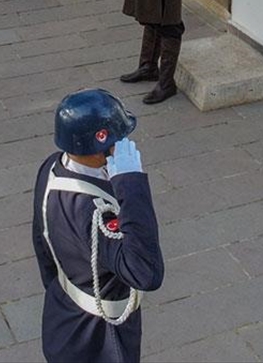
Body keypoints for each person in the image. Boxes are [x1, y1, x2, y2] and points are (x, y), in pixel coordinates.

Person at [32, 88, 164, 363]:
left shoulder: (52, 166)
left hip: (64, 312)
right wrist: (131, 184)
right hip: (98, 338)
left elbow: (42, 245)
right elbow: (146, 273)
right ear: (100, 146)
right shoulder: (94, 214)